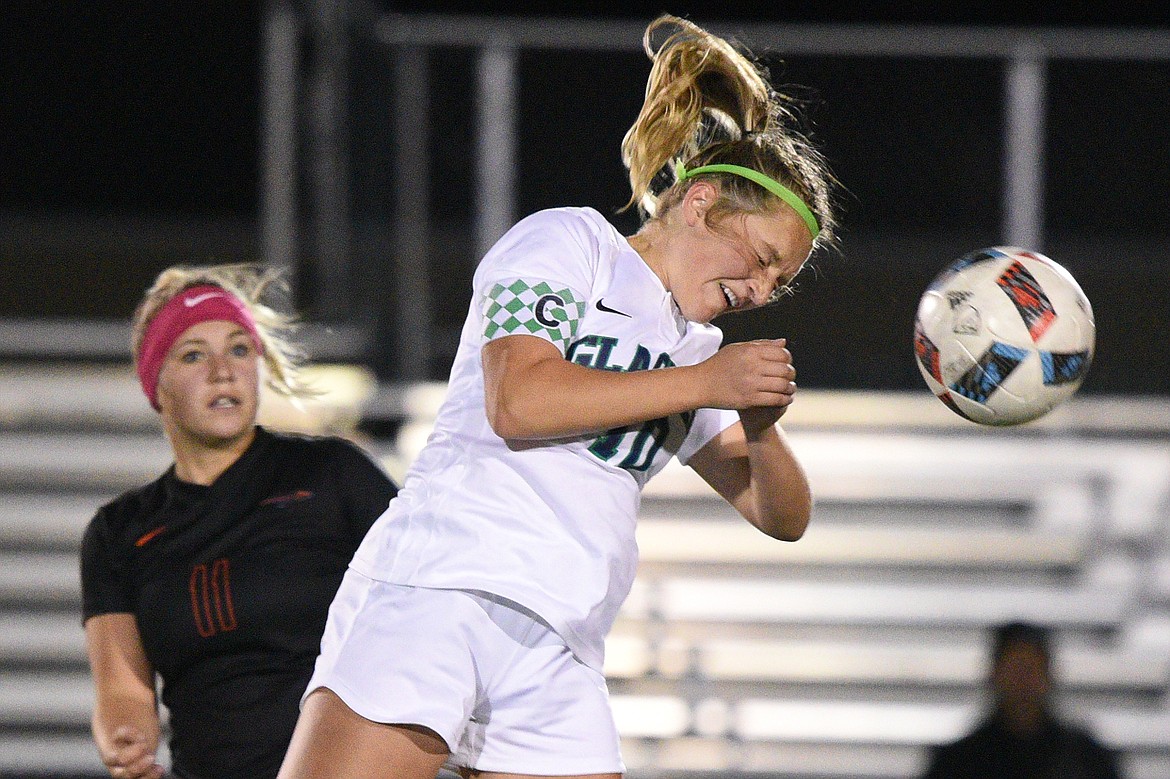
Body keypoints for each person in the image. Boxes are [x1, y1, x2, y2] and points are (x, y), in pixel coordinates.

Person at [279, 13, 837, 779]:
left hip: (560, 643)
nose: (764, 289)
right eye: (765, 258)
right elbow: (520, 401)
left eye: (782, 281)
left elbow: (784, 515)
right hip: (440, 588)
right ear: (702, 203)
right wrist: (707, 384)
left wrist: (762, 429)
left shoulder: (696, 349)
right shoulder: (570, 244)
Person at [81, 264, 399, 779]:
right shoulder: (120, 531)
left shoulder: (333, 474)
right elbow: (122, 692)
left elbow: (429, 609)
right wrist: (126, 742)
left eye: (238, 349)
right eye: (192, 355)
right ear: (156, 386)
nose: (222, 371)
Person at [923, 621, 1123, 779]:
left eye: (1030, 670)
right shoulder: (958, 762)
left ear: (1047, 675)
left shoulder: (1086, 759)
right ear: (995, 674)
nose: (1023, 681)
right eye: (1015, 670)